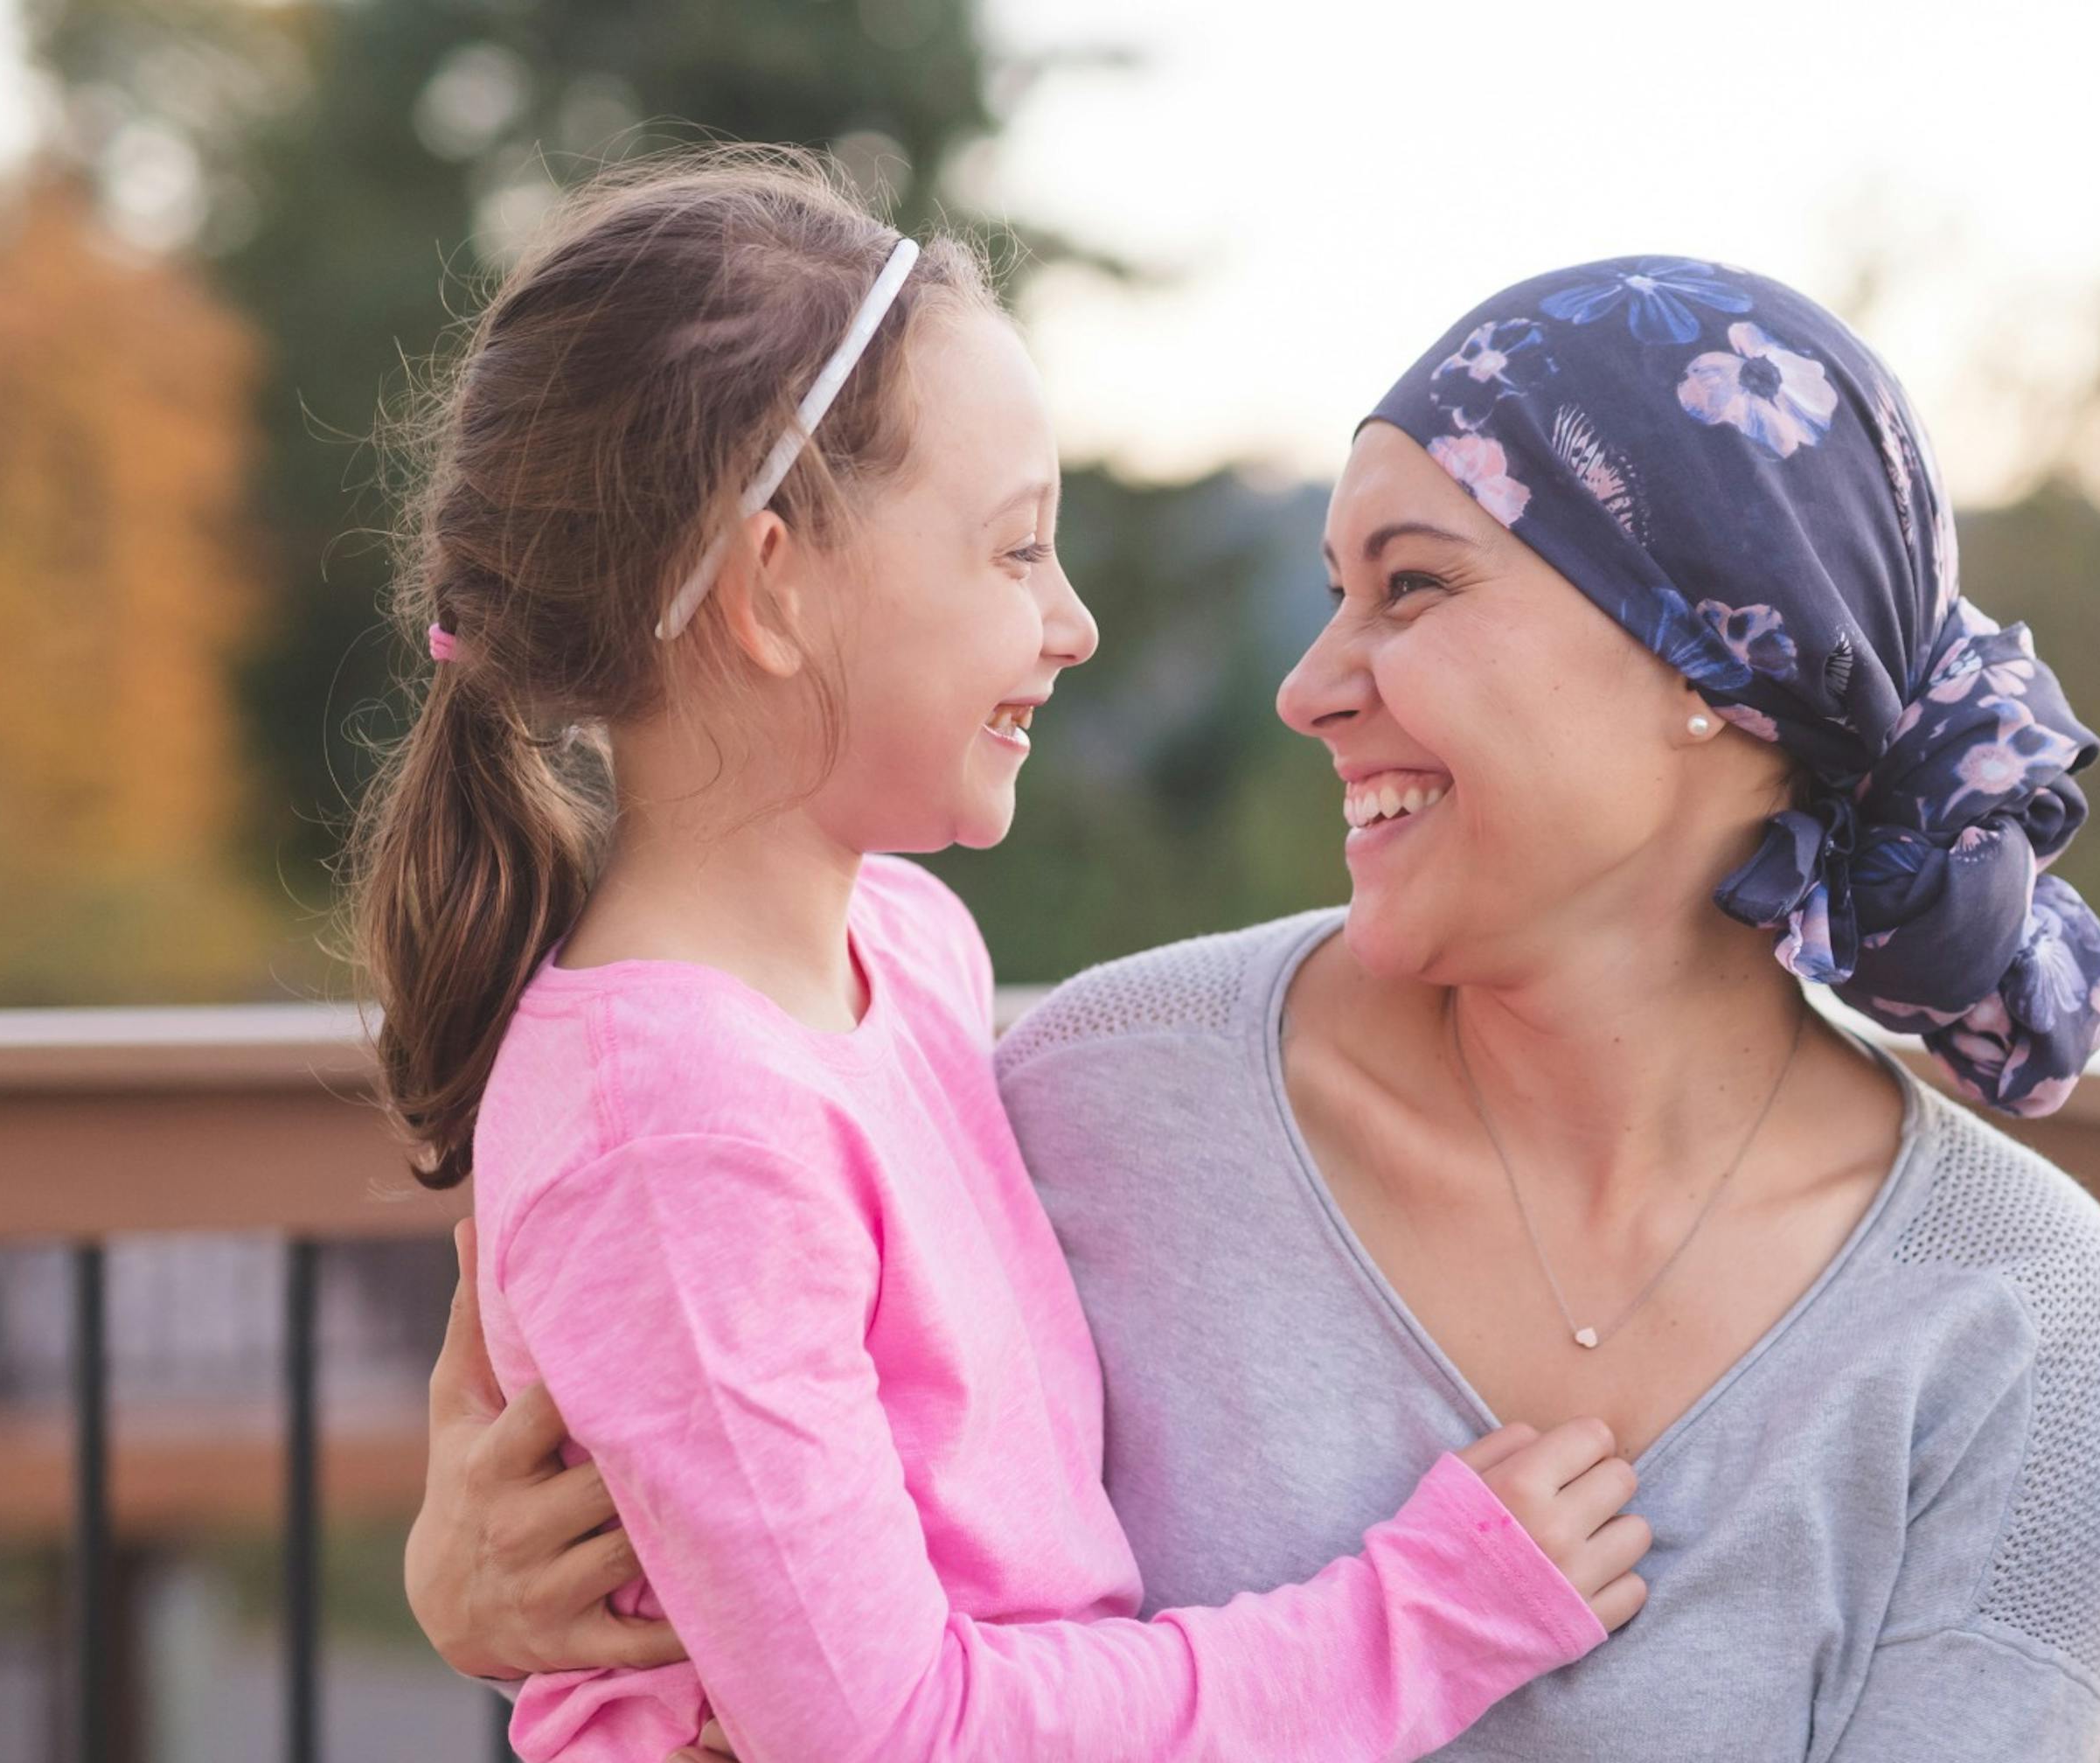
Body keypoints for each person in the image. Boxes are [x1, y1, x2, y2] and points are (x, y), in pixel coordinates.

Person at [414, 254, 2100, 1760]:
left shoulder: (2009, 1313)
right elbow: (702, 1374)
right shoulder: (1097, 1090)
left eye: (1414, 584)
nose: (1307, 687)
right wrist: (482, 1570)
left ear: (1711, 666)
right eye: (1331, 588)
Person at [347, 150, 1647, 1763]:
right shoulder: (675, 1123)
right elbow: (899, 1735)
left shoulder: (905, 945)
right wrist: (1428, 1617)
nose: (1073, 620)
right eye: (1016, 550)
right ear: (770, 590)